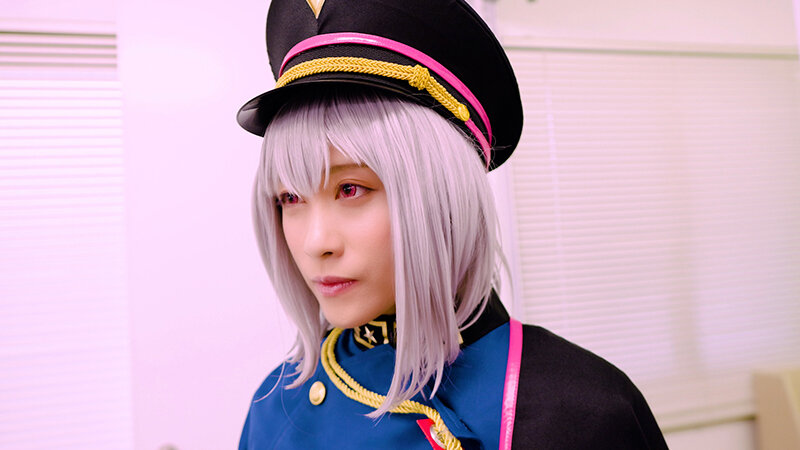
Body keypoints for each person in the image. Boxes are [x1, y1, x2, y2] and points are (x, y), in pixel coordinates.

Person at [236, 0, 669, 449]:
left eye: (350, 189)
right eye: (290, 198)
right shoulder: (275, 408)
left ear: (442, 195)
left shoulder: (576, 411)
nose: (315, 242)